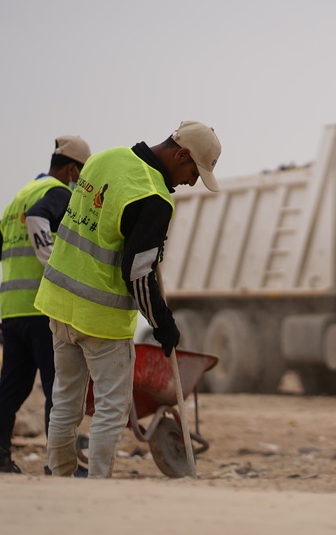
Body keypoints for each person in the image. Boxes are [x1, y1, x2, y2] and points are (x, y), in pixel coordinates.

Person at [34, 120, 222, 479]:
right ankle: (98, 486)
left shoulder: (105, 159)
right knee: (111, 410)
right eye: (193, 171)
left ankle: (57, 481)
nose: (192, 181)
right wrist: (163, 324)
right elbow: (137, 273)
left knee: (65, 403)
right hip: (101, 319)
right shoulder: (152, 197)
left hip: (59, 303)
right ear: (181, 154)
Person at [0, 135, 92, 473]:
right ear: (71, 169)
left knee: (13, 386)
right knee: (59, 390)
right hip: (44, 310)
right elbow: (39, 220)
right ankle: (59, 465)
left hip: (14, 312)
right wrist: (57, 271)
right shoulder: (59, 193)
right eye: (83, 174)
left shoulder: (18, 198)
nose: (83, 182)